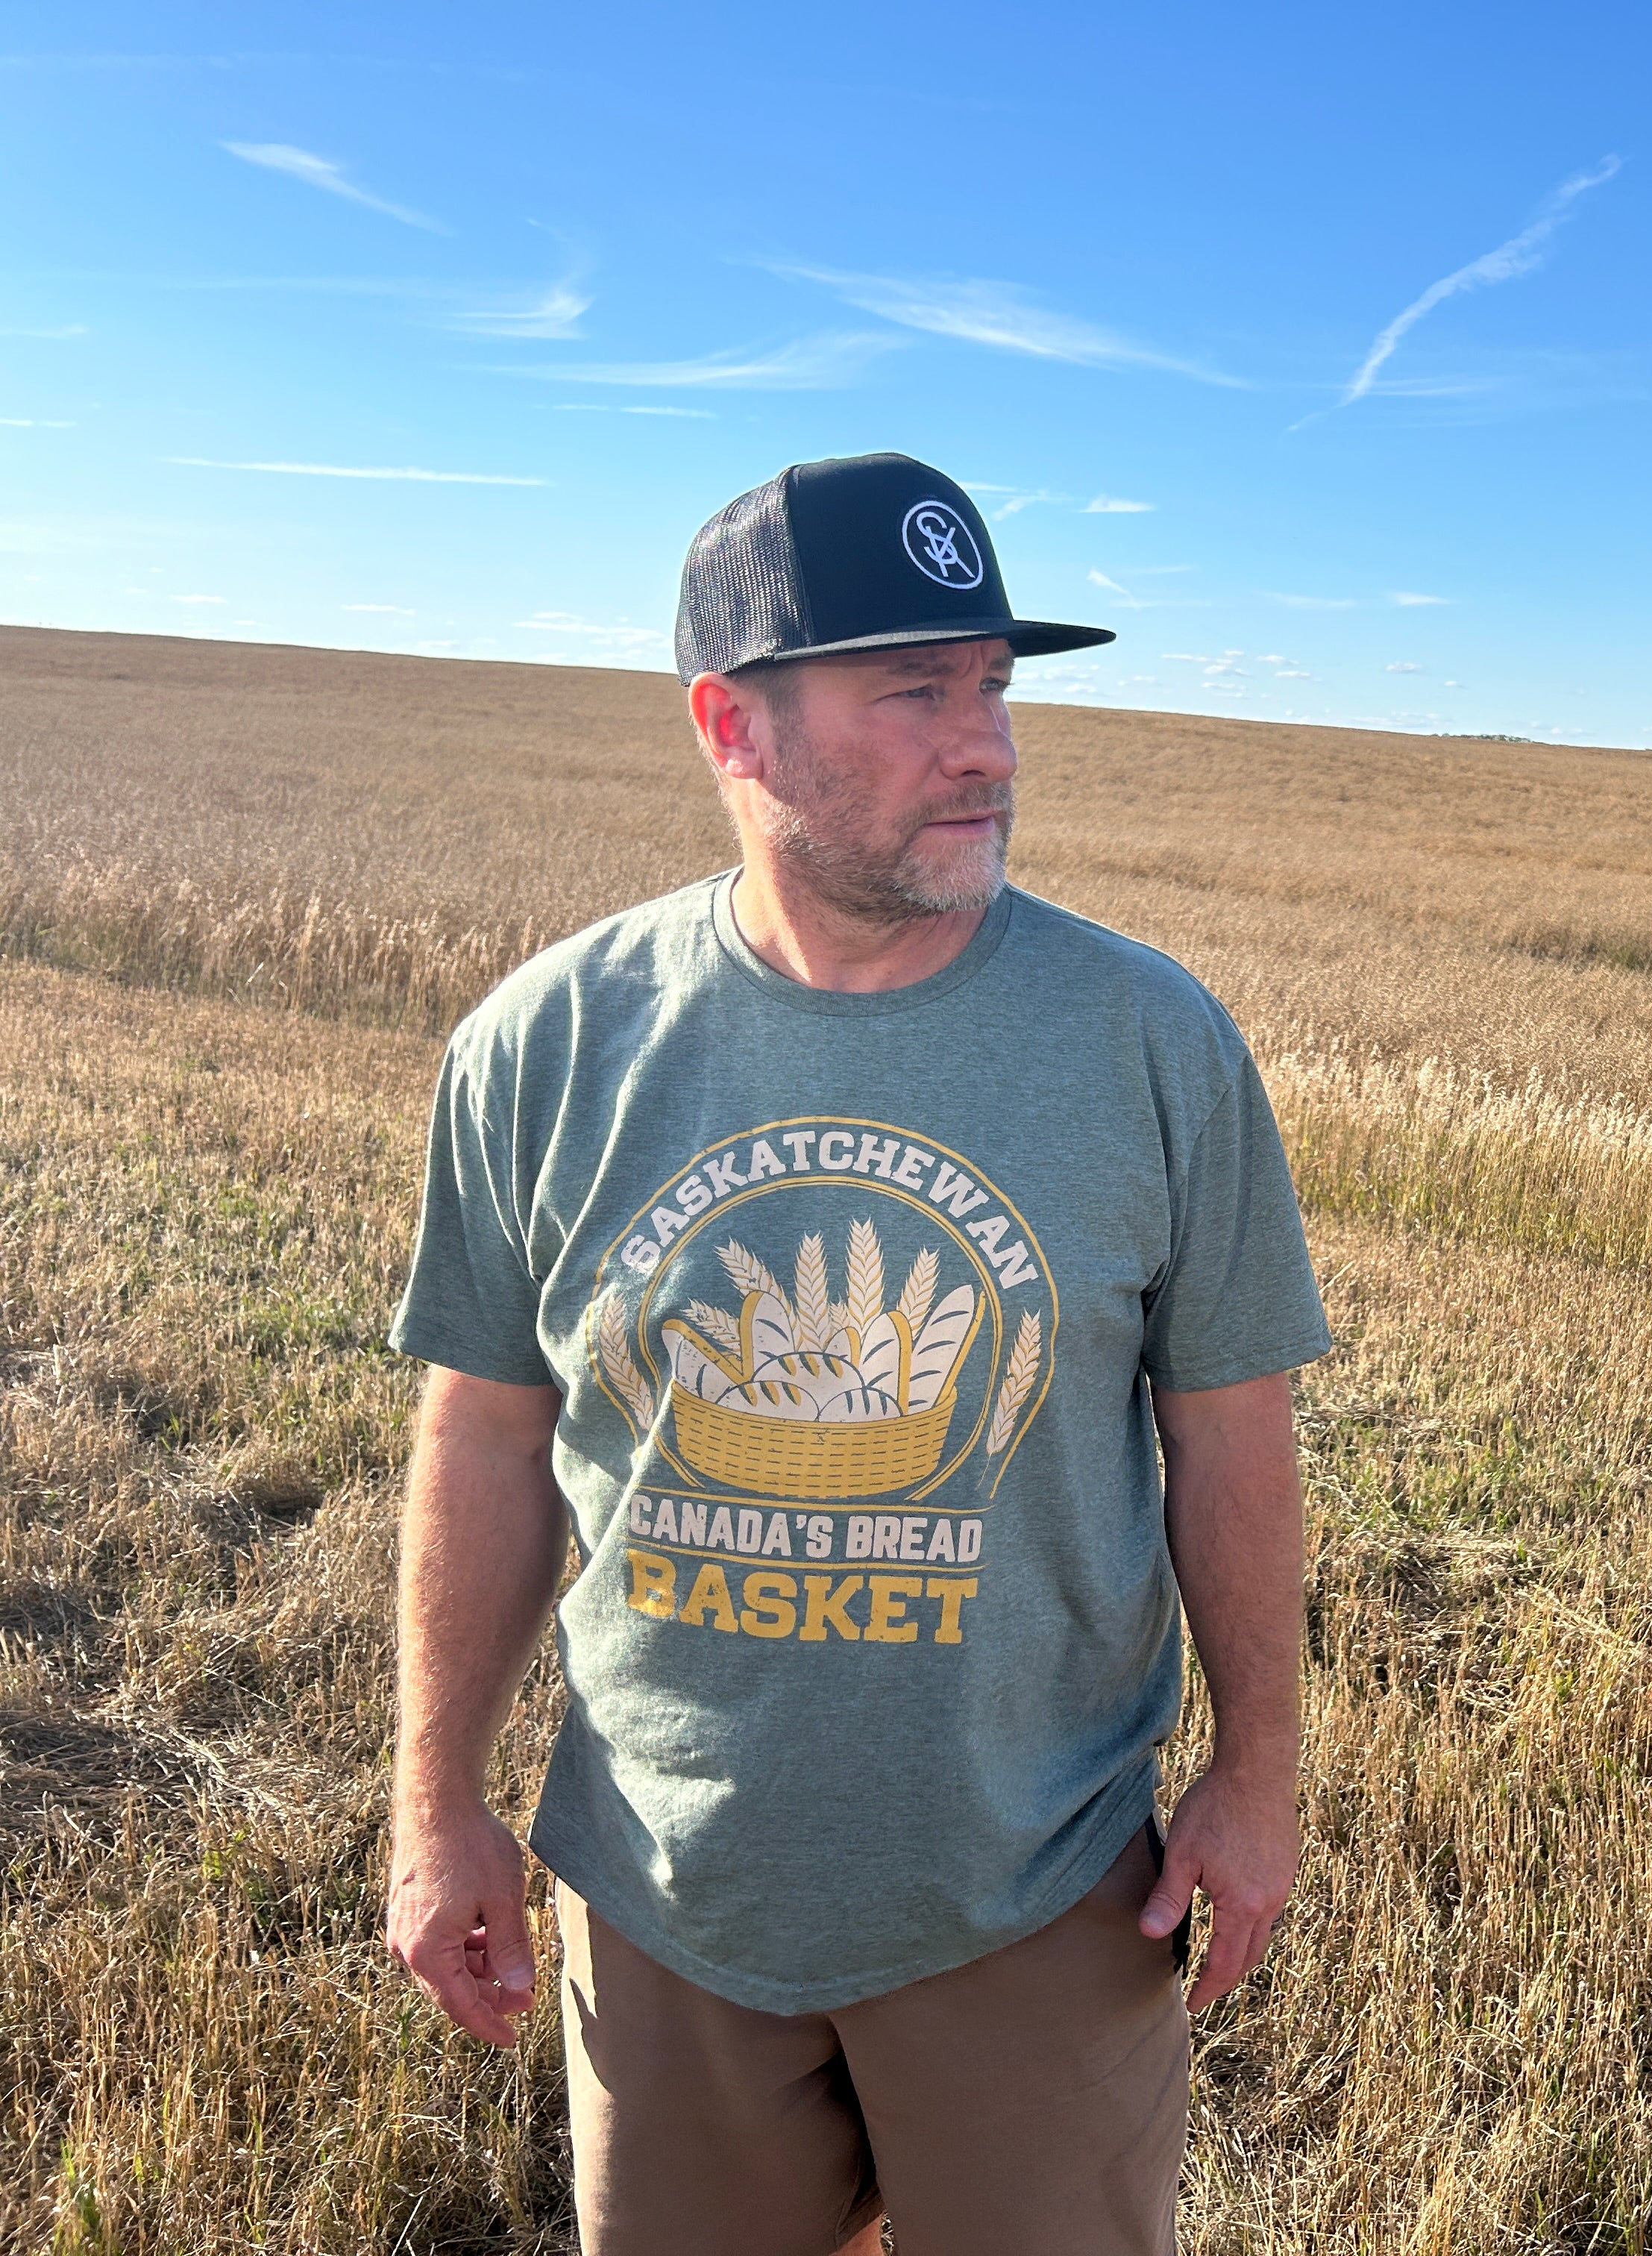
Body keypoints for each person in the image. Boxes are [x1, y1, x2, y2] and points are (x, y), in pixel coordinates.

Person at [381, 451, 1329, 2256]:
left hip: (1040, 1900)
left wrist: (1259, 1773)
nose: (989, 747)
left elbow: (1231, 1431)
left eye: (996, 688)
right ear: (732, 727)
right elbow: (486, 1440)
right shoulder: (545, 1047)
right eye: (916, 692)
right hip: (667, 1898)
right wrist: (436, 1806)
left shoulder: (1150, 1044)